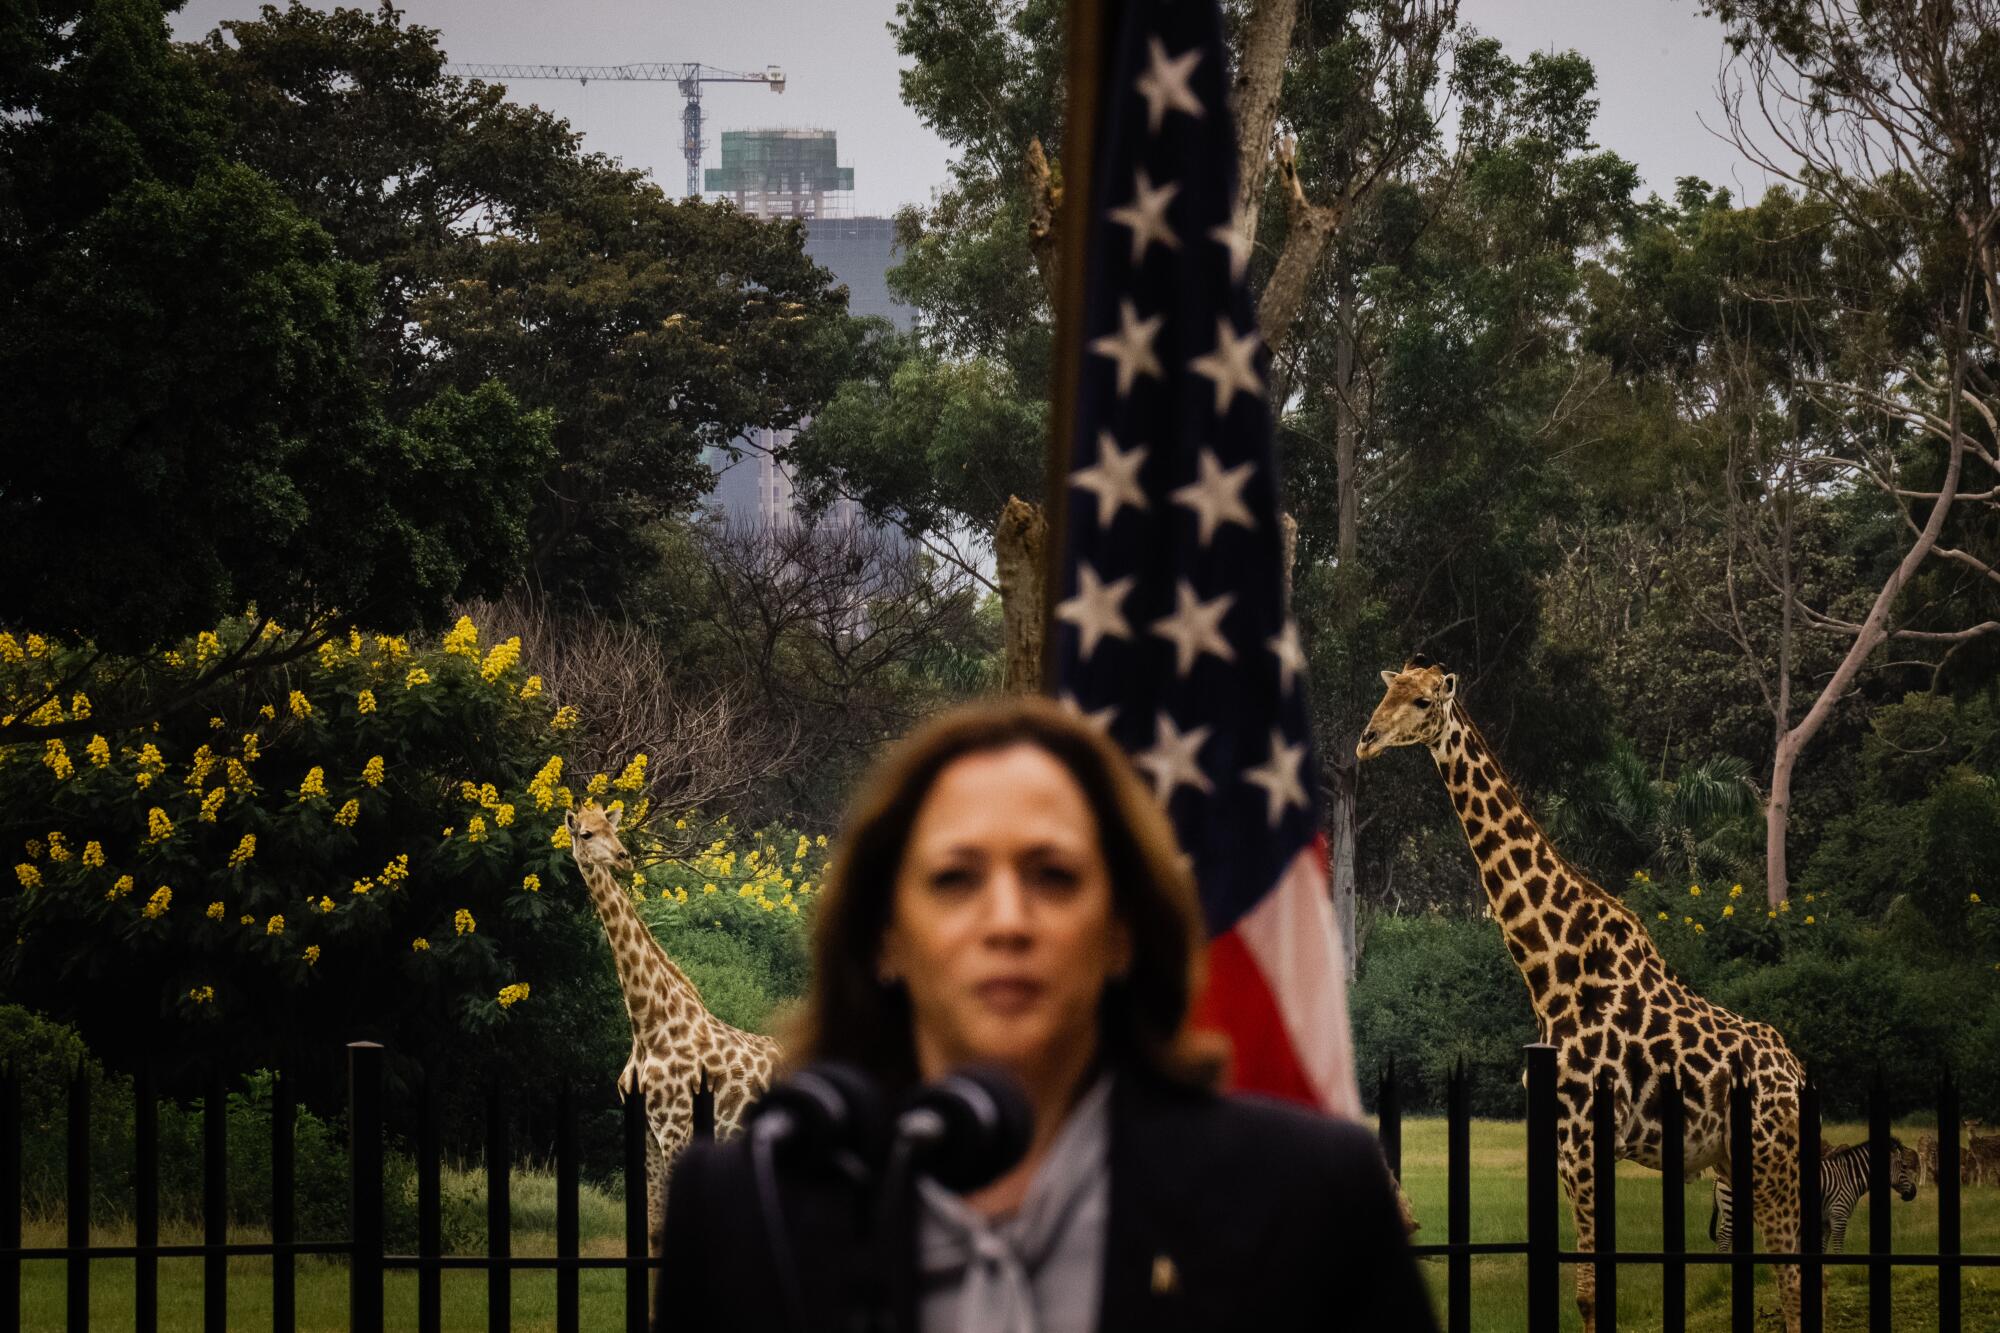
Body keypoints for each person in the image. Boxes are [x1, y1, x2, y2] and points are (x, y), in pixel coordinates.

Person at [658, 697, 1435, 1332]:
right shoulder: (747, 1212)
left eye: (1054, 875)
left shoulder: (1312, 1200)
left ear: (1123, 930)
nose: (1008, 921)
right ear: (885, 935)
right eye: (956, 878)